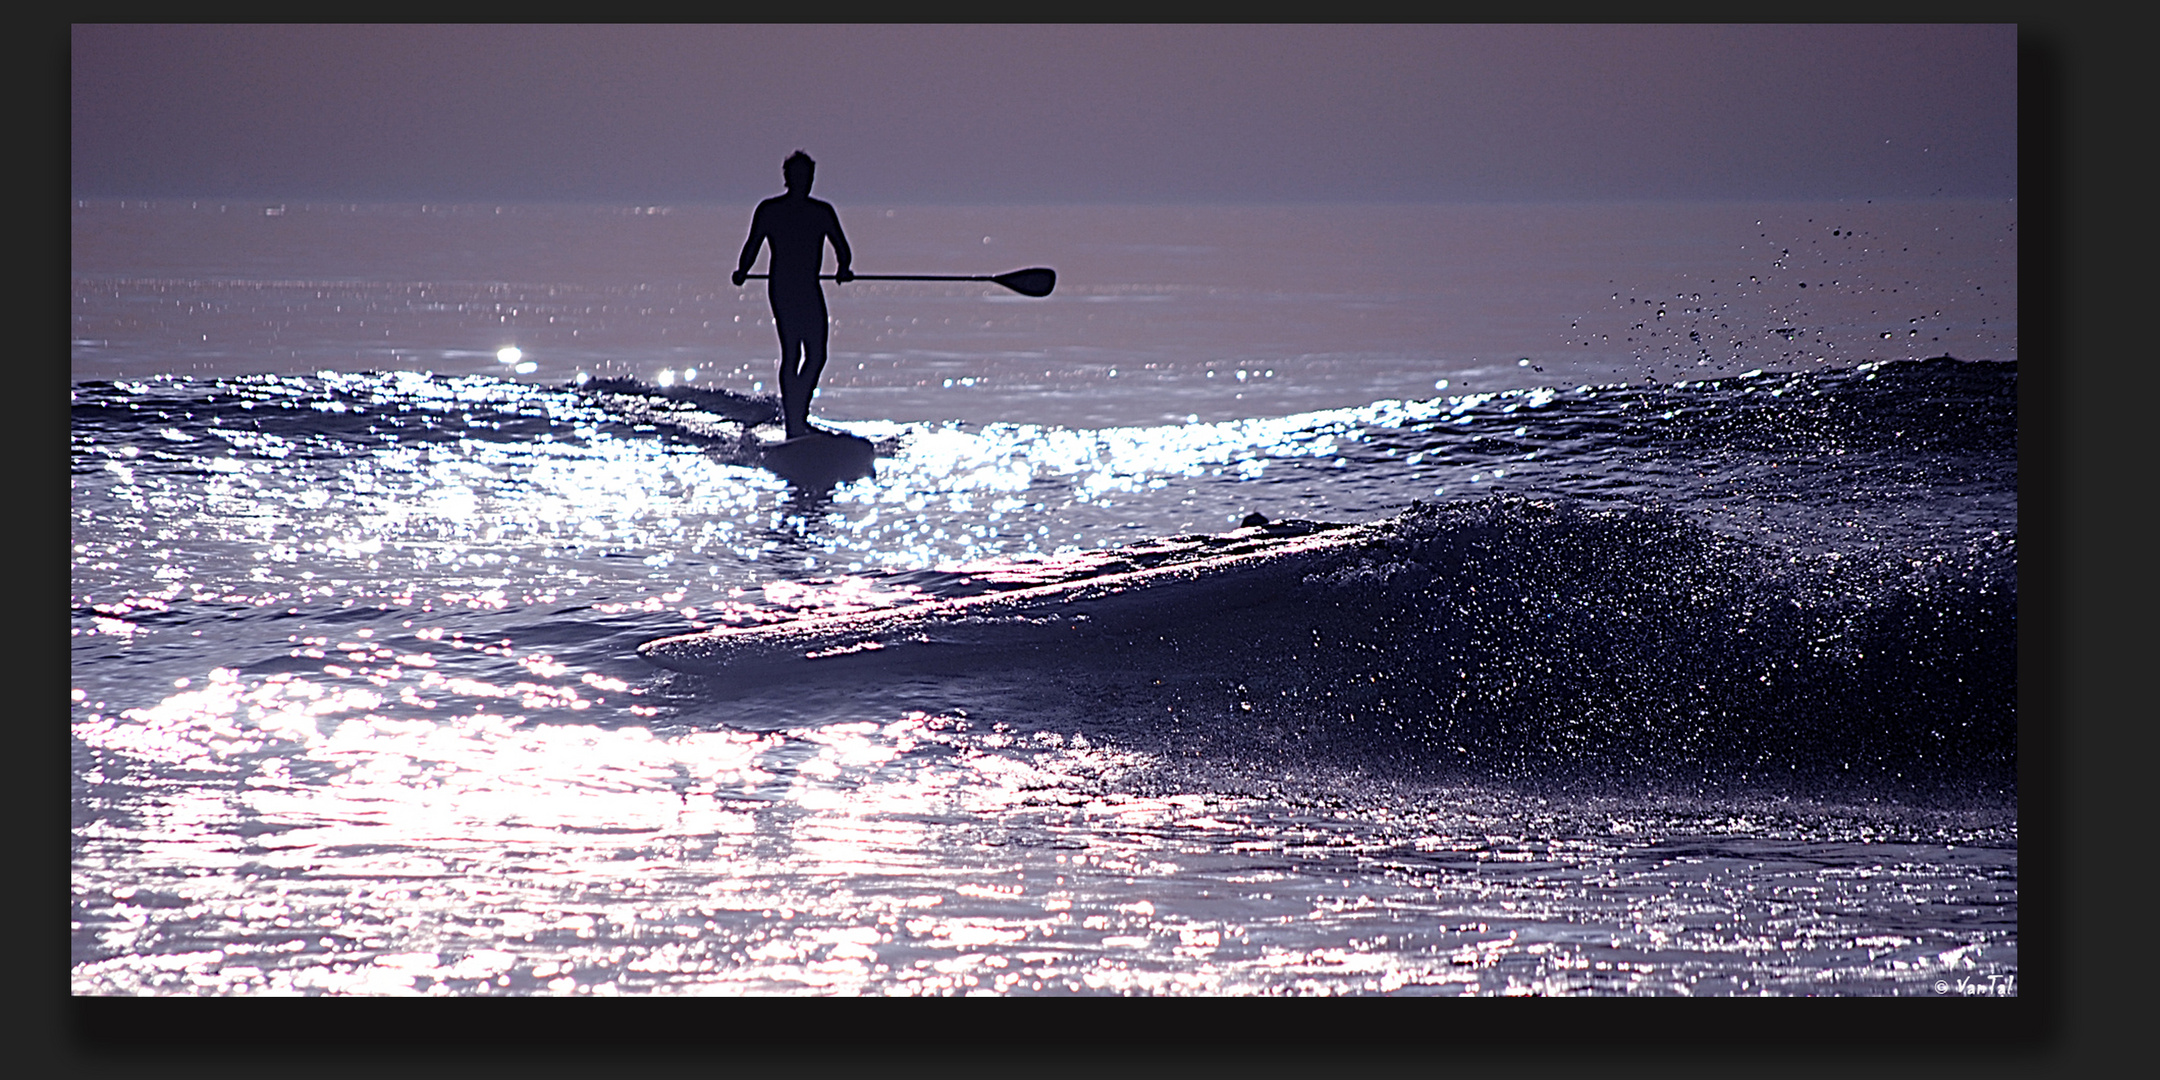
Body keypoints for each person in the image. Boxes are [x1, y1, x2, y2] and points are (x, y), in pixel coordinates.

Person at [733, 151, 853, 439]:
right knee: (792, 353)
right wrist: (742, 270)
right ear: (788, 179)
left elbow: (842, 247)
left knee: (817, 355)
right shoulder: (770, 210)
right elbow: (753, 246)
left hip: (810, 288)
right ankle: (793, 424)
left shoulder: (821, 212)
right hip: (783, 289)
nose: (805, 183)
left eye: (809, 178)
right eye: (799, 178)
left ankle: (799, 413)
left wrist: (843, 268)